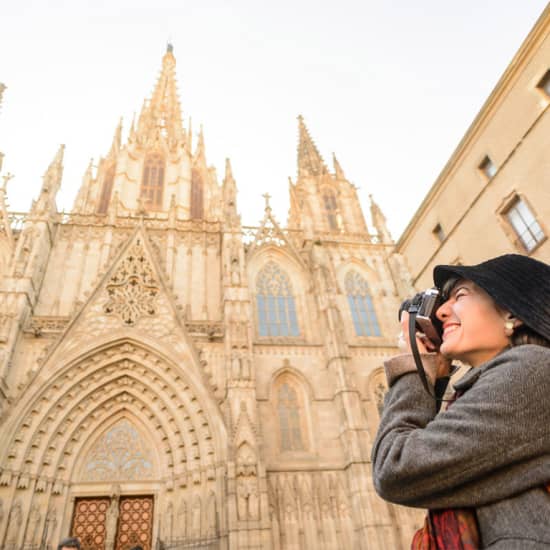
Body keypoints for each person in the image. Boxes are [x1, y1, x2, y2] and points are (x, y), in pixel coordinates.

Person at [372, 254, 550, 549]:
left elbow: (396, 467)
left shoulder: (533, 370)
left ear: (512, 315)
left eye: (460, 295)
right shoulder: (499, 383)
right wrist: (434, 373)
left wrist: (414, 366)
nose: (441, 312)